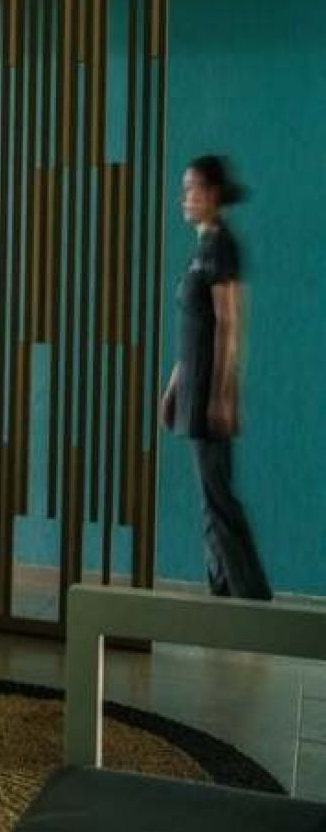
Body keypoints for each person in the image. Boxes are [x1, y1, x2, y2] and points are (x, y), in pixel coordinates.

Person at [160, 155, 272, 600]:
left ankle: (251, 597)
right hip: (193, 390)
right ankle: (221, 593)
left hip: (209, 393)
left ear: (212, 194)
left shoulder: (222, 247)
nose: (185, 198)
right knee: (210, 500)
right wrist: (173, 388)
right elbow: (194, 327)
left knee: (218, 500)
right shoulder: (202, 249)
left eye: (192, 189)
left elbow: (229, 324)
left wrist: (224, 394)